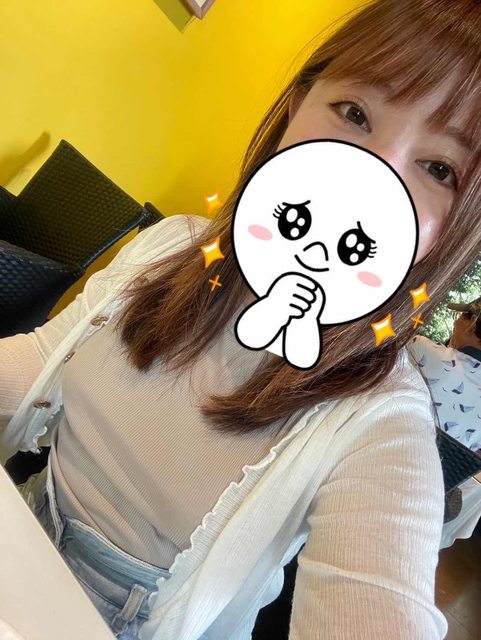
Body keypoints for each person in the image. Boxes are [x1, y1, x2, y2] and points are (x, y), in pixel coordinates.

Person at [0, 1, 480, 638]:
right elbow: (40, 360)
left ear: (452, 233)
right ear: (295, 107)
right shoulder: (174, 243)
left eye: (439, 169)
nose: (367, 180)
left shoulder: (382, 423)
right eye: (355, 112)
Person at [409, 295, 481, 453]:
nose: (456, 323)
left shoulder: (419, 348)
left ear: (472, 323)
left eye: (460, 316)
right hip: (431, 467)